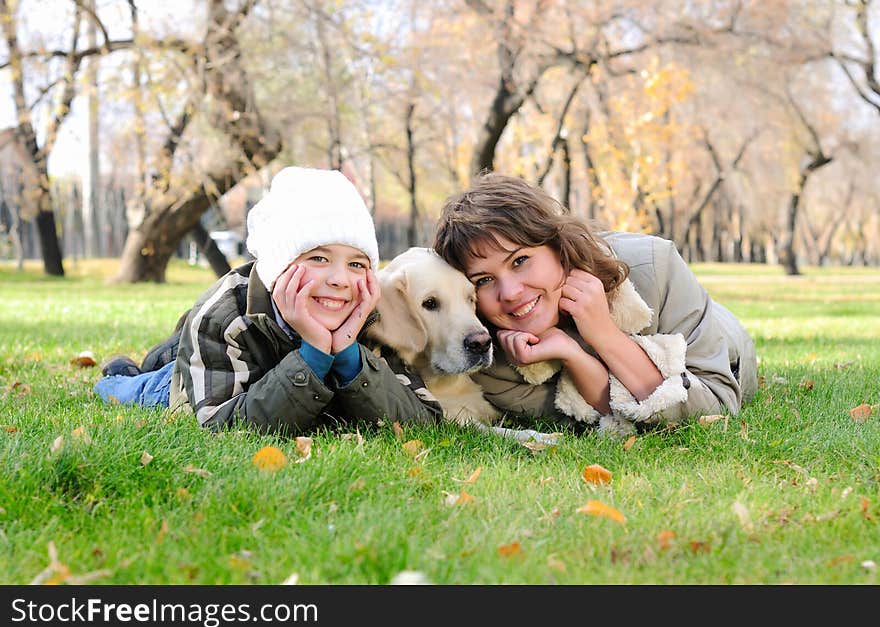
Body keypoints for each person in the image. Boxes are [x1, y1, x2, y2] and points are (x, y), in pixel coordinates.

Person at [95, 166, 442, 434]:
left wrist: (349, 355)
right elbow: (222, 426)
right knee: (144, 390)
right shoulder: (225, 316)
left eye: (356, 264)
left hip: (241, 369)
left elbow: (422, 420)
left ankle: (167, 354)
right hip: (205, 379)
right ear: (279, 266)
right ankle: (125, 374)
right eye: (318, 259)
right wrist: (315, 355)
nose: (339, 279)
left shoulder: (370, 314)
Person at [432, 172, 757, 436]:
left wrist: (604, 334)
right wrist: (574, 355)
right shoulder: (495, 367)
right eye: (484, 280)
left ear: (557, 246)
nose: (511, 293)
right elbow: (601, 422)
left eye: (520, 261)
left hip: (724, 339)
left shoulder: (655, 266)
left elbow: (715, 408)